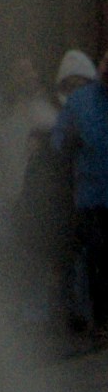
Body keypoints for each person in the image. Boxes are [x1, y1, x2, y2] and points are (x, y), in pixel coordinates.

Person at [58, 50, 108, 343]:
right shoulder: (81, 101)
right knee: (96, 258)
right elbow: (60, 136)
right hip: (90, 194)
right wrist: (66, 141)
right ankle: (101, 321)